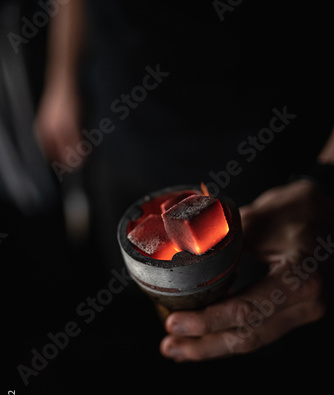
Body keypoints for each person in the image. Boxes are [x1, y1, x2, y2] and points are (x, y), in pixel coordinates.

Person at [35, 1, 334, 363]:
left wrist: (324, 183)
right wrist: (61, 79)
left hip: (255, 151)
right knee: (128, 299)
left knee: (246, 332)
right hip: (115, 121)